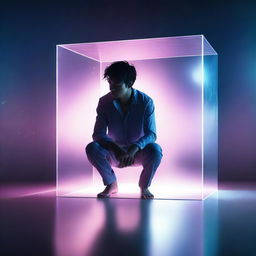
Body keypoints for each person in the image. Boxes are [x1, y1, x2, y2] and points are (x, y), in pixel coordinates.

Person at [86, 61, 163, 199]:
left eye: (116, 85)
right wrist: (115, 148)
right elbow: (98, 134)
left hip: (137, 153)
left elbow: (152, 134)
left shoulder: (146, 102)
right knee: (92, 148)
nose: (111, 88)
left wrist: (135, 147)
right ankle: (111, 184)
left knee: (156, 150)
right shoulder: (104, 102)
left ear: (130, 83)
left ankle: (144, 186)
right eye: (110, 84)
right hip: (114, 154)